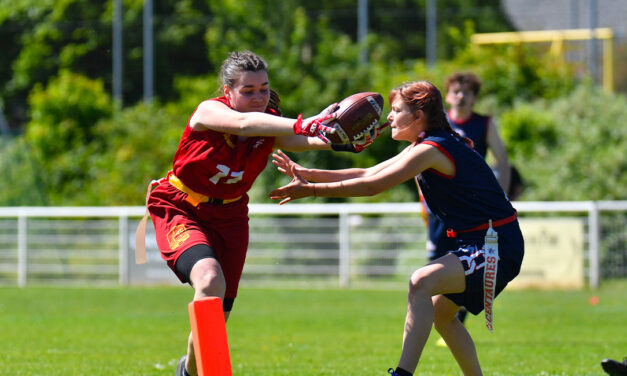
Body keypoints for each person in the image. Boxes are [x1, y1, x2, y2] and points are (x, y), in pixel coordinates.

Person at [144, 51, 381, 376]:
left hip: (231, 216)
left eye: (264, 89)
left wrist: (343, 140)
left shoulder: (269, 123)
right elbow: (244, 123)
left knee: (218, 312)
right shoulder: (209, 110)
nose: (258, 97)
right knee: (210, 280)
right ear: (227, 91)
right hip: (181, 206)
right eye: (248, 90)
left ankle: (188, 369)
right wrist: (309, 122)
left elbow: (305, 138)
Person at [269, 80, 524, 376]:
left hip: (496, 246)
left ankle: (402, 374)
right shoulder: (427, 144)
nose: (388, 117)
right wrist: (309, 174)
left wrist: (312, 191)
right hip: (487, 243)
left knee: (421, 282)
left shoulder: (431, 148)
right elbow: (368, 172)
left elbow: (372, 186)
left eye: (396, 110)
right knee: (442, 316)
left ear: (418, 116)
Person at [421, 72, 513, 330]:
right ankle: (441, 318)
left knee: (468, 264)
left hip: (473, 211)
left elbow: (503, 162)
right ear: (447, 96)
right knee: (436, 264)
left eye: (467, 92)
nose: (460, 96)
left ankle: (450, 317)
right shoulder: (437, 125)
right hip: (440, 210)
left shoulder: (484, 124)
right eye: (455, 91)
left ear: (474, 98)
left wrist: (501, 198)